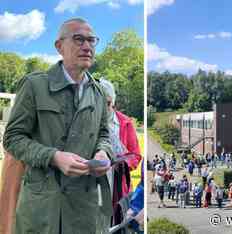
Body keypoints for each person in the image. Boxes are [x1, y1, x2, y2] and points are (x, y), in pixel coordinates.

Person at [3, 18, 114, 234]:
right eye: (79, 39)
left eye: (92, 40)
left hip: (85, 207)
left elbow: (104, 134)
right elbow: (12, 138)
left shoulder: (98, 93)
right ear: (59, 46)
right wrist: (53, 157)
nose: (87, 46)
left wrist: (103, 152)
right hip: (43, 205)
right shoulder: (35, 85)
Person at [99, 78, 142, 228]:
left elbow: (136, 155)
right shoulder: (87, 122)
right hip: (93, 187)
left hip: (118, 186)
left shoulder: (125, 122)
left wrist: (122, 163)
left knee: (116, 224)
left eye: (107, 103)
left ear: (112, 102)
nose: (104, 108)